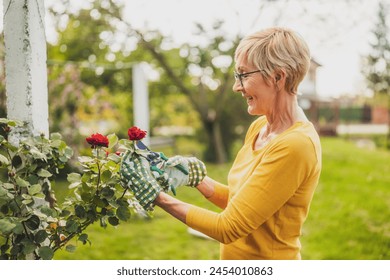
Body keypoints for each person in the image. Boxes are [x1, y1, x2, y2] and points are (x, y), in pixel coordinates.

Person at [121, 27, 322, 260]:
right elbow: (245, 205)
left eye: (244, 75)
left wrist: (156, 196)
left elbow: (228, 227)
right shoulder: (259, 128)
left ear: (278, 77)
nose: (237, 86)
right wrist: (197, 179)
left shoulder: (296, 145)